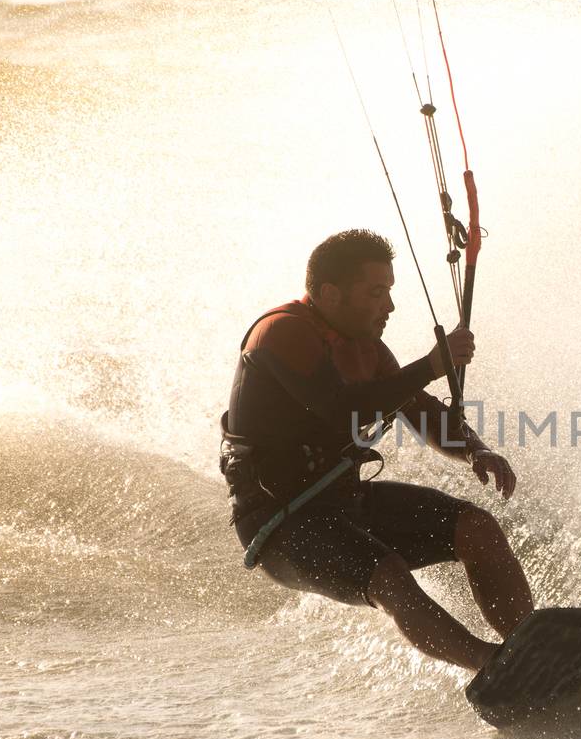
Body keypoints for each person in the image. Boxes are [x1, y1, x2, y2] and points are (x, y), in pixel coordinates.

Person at [219, 228, 532, 671]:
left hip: (344, 502)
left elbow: (417, 408)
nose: (388, 305)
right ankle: (494, 666)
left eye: (388, 291)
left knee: (475, 528)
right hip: (280, 523)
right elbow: (337, 408)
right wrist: (429, 366)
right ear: (330, 294)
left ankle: (531, 646)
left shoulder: (366, 348)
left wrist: (476, 451)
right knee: (388, 576)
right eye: (375, 292)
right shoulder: (282, 332)